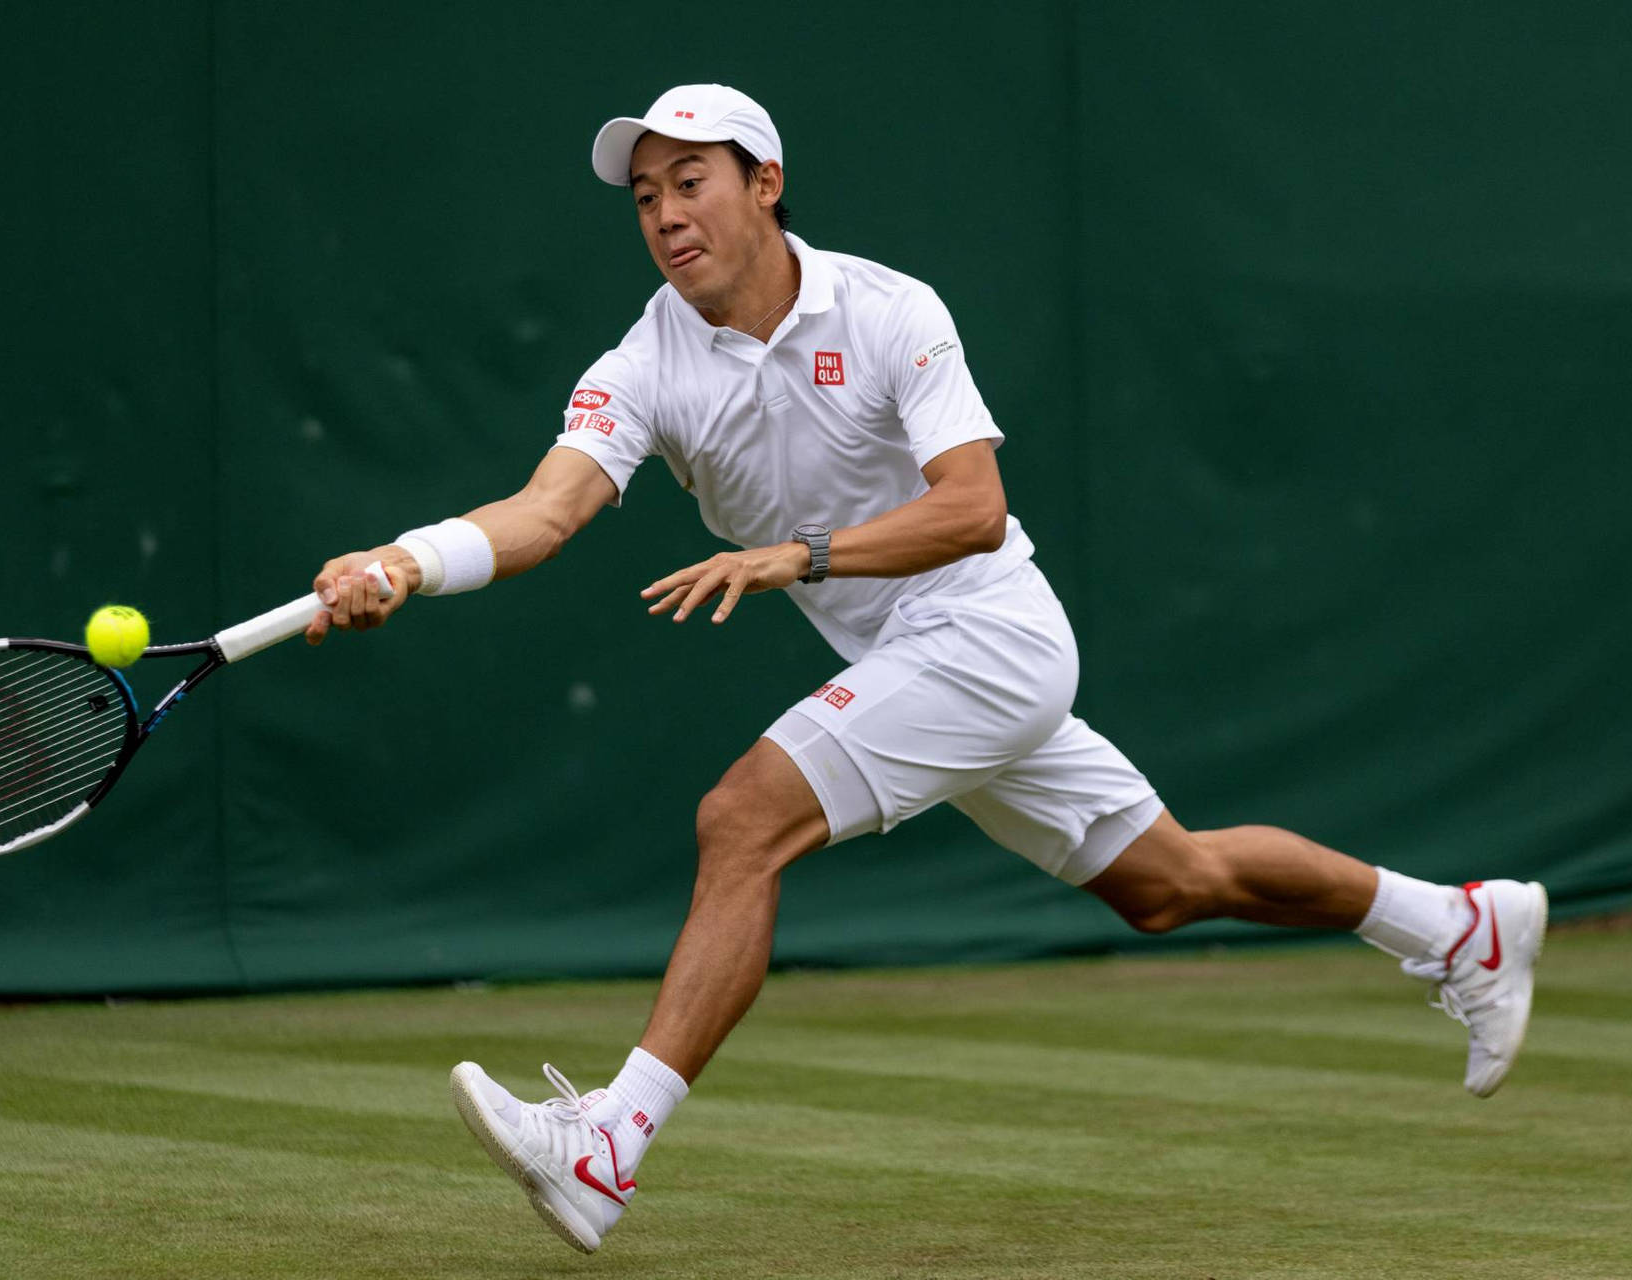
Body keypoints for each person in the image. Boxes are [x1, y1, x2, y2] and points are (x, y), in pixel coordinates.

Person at [303, 84, 1547, 1254]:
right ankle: (1461, 921)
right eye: (644, 199)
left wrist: (800, 554)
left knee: (742, 817)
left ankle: (610, 1143)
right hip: (905, 657)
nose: (667, 215)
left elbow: (976, 509)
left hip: (993, 631)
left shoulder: (894, 309)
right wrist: (406, 561)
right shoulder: (642, 364)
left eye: (691, 183)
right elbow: (545, 509)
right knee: (1172, 882)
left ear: (766, 183)